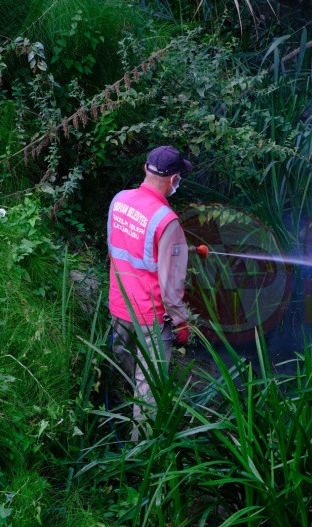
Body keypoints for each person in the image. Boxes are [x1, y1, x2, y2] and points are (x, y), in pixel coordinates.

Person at [107, 145, 192, 440]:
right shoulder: (168, 222)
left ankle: (115, 418)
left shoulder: (119, 201)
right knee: (149, 387)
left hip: (119, 306)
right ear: (173, 180)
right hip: (151, 318)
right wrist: (181, 322)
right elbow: (171, 286)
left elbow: (117, 250)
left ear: (145, 168)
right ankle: (138, 455)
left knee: (122, 363)